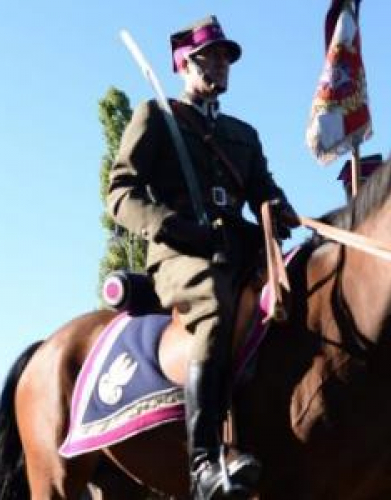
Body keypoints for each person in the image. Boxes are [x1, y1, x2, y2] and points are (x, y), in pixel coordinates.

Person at [107, 15, 297, 499]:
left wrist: (280, 209)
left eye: (224, 57)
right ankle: (203, 461)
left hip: (235, 247)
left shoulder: (244, 135)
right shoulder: (157, 117)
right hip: (178, 254)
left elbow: (263, 191)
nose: (218, 64)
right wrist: (168, 225)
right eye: (207, 57)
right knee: (214, 307)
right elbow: (121, 193)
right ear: (182, 65)